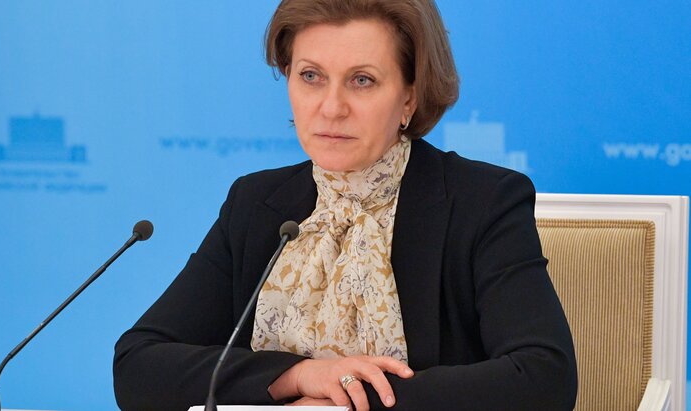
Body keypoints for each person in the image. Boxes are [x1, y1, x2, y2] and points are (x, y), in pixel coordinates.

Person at [113, 1, 578, 410]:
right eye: (310, 76)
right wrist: (296, 376)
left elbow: (543, 378)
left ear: (410, 96)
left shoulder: (482, 201)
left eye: (362, 80)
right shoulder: (255, 204)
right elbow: (139, 365)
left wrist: (349, 399)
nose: (331, 107)